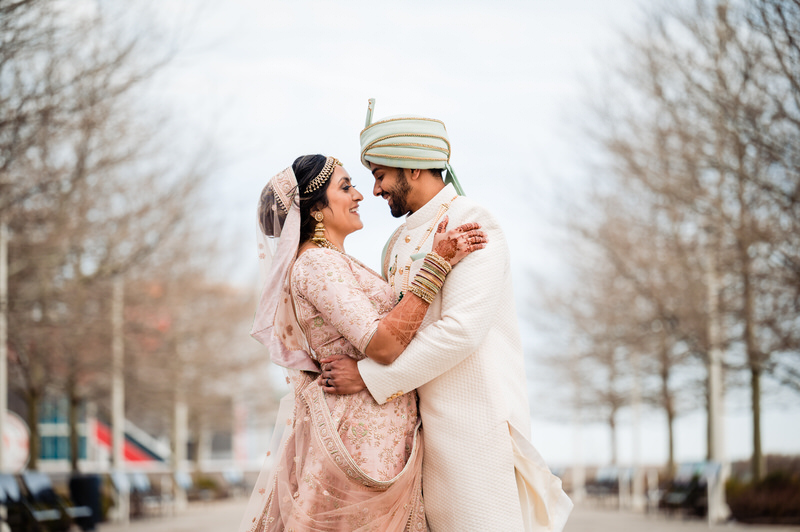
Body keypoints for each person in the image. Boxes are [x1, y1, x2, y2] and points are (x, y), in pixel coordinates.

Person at [318, 100, 574, 531]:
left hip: (473, 432)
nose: (375, 190)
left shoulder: (473, 220)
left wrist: (366, 377)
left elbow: (461, 332)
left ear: (412, 168)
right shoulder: (397, 240)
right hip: (413, 441)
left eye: (380, 176)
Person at [238, 154, 488, 532]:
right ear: (316, 210)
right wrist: (437, 263)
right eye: (345, 186)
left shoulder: (333, 261)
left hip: (376, 432)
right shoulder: (317, 264)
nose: (360, 195)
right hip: (360, 440)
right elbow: (384, 345)